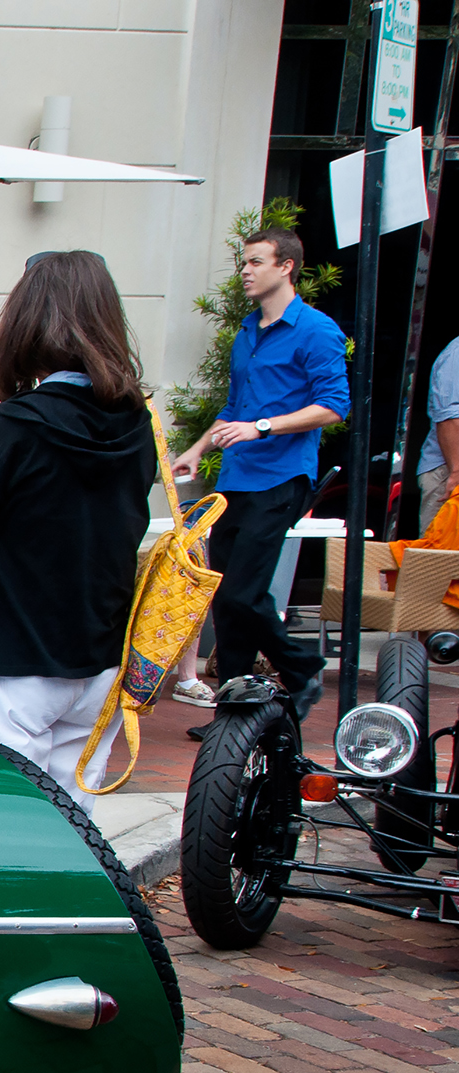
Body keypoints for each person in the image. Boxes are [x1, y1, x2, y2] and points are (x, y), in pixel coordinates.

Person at [0, 252, 154, 795]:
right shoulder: (137, 423)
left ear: (25, 321)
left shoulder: (15, 425)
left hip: (13, 653)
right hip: (101, 653)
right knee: (73, 818)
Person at [171, 227, 345, 730]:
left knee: (243, 593)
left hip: (282, 477)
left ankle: (302, 668)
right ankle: (233, 714)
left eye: (256, 262)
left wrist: (262, 427)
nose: (245, 271)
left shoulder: (316, 330)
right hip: (236, 479)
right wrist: (198, 449)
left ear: (286, 266)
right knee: (228, 598)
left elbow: (334, 406)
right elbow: (234, 408)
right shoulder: (248, 331)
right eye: (243, 263)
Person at [419, 336, 459, 532]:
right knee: (440, 549)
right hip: (447, 470)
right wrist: (456, 471)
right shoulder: (457, 352)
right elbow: (449, 417)